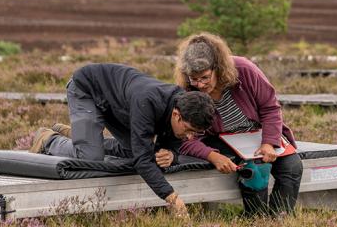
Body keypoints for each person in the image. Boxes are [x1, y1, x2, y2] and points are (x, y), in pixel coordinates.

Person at [29, 63, 216, 218]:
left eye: (196, 133)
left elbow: (170, 141)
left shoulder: (183, 106)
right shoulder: (148, 102)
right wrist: (172, 198)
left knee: (142, 150)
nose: (190, 137)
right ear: (176, 115)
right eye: (189, 131)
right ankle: (49, 140)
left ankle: (78, 135)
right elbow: (142, 161)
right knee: (90, 158)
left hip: (119, 105)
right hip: (87, 89)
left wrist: (172, 155)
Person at [175, 32, 303, 216]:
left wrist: (269, 142)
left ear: (217, 68)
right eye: (193, 79)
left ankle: (279, 219)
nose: (200, 85)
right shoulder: (187, 89)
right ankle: (257, 220)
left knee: (292, 166)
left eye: (204, 77)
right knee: (256, 169)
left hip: (257, 133)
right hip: (218, 139)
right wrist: (211, 155)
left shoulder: (245, 70)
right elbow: (185, 136)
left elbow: (270, 107)